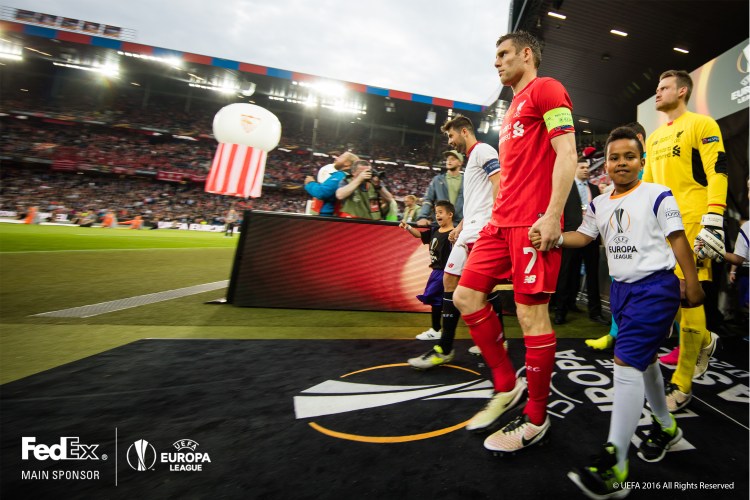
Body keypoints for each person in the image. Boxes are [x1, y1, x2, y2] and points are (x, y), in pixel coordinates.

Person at [557, 126, 703, 499]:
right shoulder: (600, 202)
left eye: (629, 157)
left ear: (641, 161)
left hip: (655, 290)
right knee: (646, 361)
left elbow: (678, 240)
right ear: (605, 164)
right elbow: (584, 236)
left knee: (624, 365)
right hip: (623, 294)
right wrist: (554, 237)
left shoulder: (658, 195)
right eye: (614, 157)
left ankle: (616, 462)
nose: (621, 163)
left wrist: (692, 281)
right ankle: (667, 427)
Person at [452, 31, 577, 453]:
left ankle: (536, 419)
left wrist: (551, 213)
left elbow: (567, 154)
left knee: (531, 319)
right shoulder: (510, 112)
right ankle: (508, 383)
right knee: (465, 298)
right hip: (499, 224)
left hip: (531, 225)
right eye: (496, 55)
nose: (497, 62)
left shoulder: (547, 89)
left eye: (504, 54)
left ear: (527, 54)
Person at [642, 69, 726, 411]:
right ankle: (704, 339)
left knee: (689, 299)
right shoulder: (652, 138)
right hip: (662, 226)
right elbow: (646, 186)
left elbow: (717, 171)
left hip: (694, 221)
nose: (658, 93)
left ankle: (683, 383)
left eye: (664, 88)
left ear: (683, 90)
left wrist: (715, 217)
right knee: (672, 297)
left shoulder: (703, 124)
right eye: (657, 88)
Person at [407, 114, 502, 364]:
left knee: (479, 289)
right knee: (451, 281)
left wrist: (494, 221)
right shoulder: (473, 160)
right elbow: (476, 201)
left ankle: (493, 341)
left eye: (451, 135)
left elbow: (499, 183)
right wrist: (461, 225)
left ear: (464, 131)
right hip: (470, 227)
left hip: (482, 230)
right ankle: (446, 348)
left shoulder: (482, 150)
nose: (450, 142)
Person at [586, 122, 649, 351]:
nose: (621, 162)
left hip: (646, 248)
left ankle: (684, 342)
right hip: (620, 243)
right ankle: (615, 334)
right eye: (615, 157)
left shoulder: (649, 169)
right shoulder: (621, 171)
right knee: (617, 289)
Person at [554, 157, 607, 326]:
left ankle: (595, 312)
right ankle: (561, 310)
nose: (585, 169)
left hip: (591, 237)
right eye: (582, 167)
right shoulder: (566, 187)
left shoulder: (595, 189)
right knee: (567, 274)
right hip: (571, 235)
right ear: (575, 169)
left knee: (592, 276)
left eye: (587, 167)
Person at [399, 200, 456, 349]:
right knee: (438, 301)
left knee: (436, 299)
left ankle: (437, 330)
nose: (437, 215)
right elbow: (419, 235)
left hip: (446, 271)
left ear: (450, 215)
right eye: (436, 212)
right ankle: (437, 330)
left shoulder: (454, 233)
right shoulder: (435, 230)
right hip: (436, 271)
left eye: (440, 212)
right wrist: (408, 227)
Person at [416, 151, 464, 226]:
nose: (449, 161)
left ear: (460, 163)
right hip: (440, 224)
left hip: (459, 225)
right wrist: (422, 217)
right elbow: (428, 200)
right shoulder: (437, 180)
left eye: (453, 159)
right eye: (448, 159)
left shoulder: (466, 181)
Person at [304, 153, 359, 217]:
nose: (336, 158)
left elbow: (322, 193)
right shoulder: (354, 178)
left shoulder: (341, 175)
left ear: (347, 163)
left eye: (340, 157)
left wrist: (310, 183)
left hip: (330, 217)